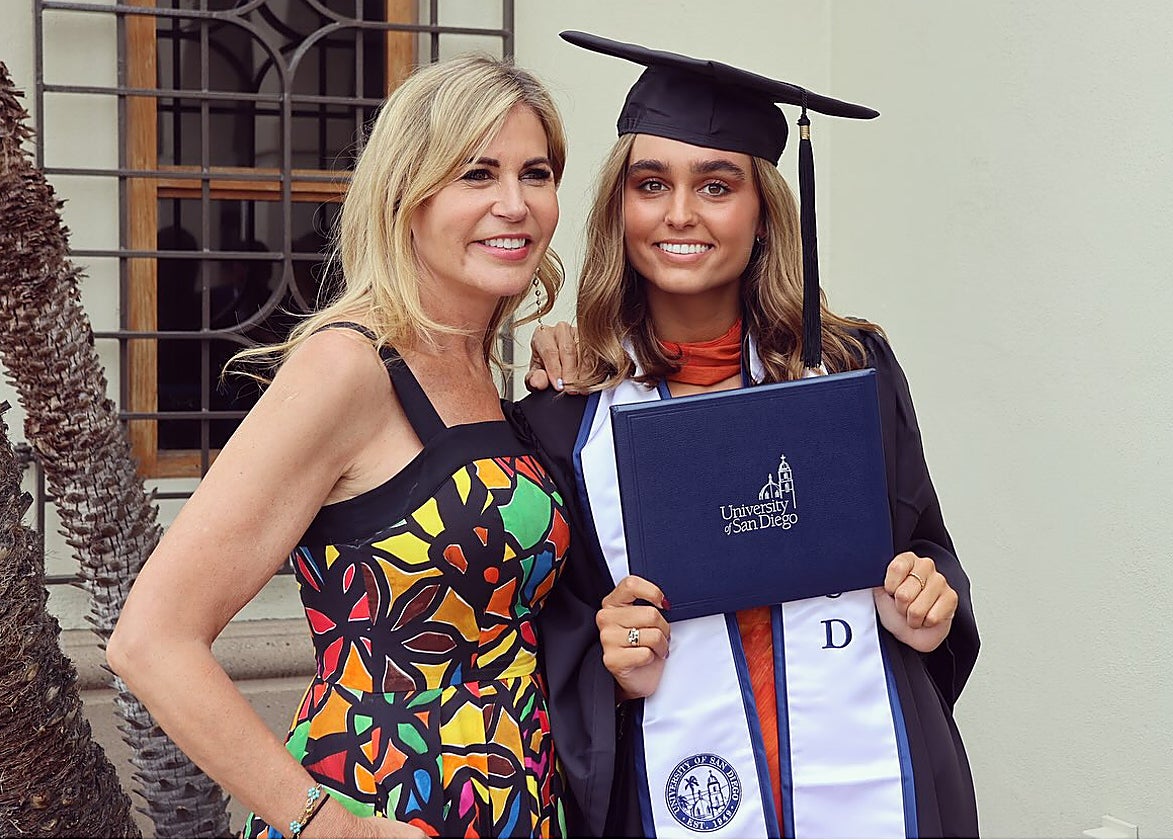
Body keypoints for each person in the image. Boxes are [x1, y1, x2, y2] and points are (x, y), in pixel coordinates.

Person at [517, 32, 979, 838]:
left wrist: (927, 605)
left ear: (764, 210)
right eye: (651, 183)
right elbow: (549, 633)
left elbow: (924, 547)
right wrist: (609, 669)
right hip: (667, 783)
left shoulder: (848, 370)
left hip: (870, 759)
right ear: (618, 207)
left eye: (717, 185)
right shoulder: (567, 411)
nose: (680, 214)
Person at [109, 55, 572, 839]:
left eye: (536, 173)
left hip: (515, 803)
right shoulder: (347, 367)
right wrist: (330, 827)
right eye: (476, 174)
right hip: (385, 806)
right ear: (406, 195)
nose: (514, 204)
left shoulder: (480, 363)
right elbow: (149, 639)